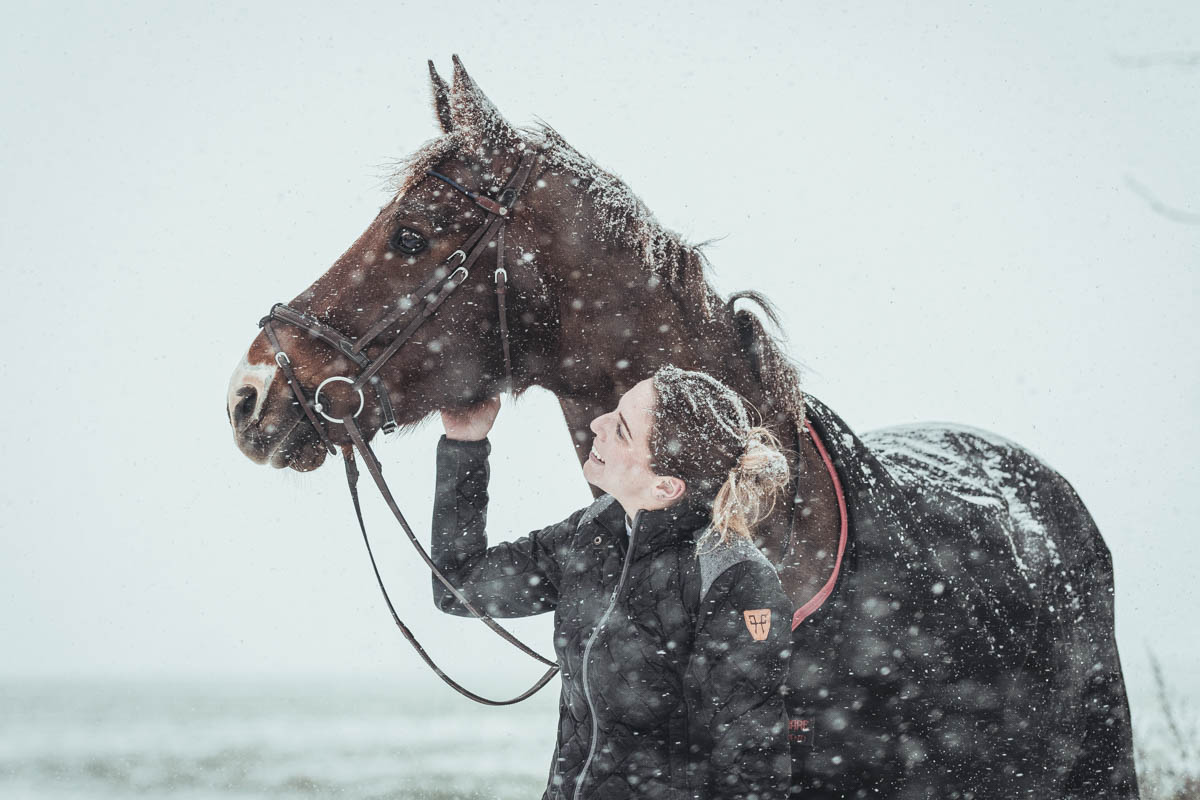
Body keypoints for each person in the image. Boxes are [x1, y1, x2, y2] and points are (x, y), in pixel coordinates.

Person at [432, 364, 795, 800]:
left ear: (666, 486)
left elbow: (750, 765)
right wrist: (465, 444)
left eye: (621, 430)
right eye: (615, 412)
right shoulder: (595, 530)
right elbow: (461, 587)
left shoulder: (733, 577)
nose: (597, 425)